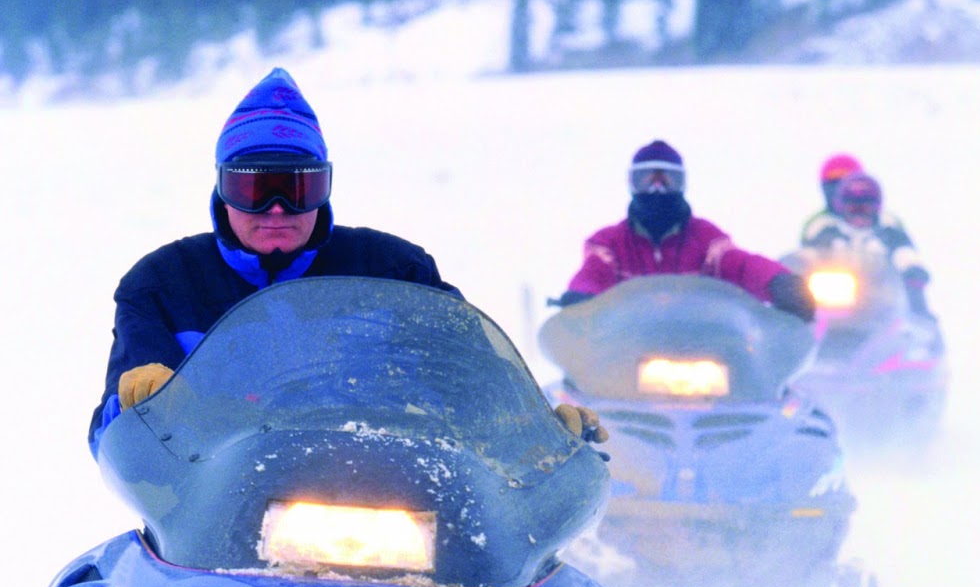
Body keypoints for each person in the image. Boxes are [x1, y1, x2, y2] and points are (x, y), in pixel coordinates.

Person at [90, 68, 604, 447]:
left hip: (389, 488)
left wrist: (529, 421)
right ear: (222, 192)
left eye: (299, 188)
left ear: (325, 190)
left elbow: (469, 372)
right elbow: (108, 436)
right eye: (253, 190)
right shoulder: (161, 284)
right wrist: (132, 404)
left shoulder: (398, 273)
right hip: (210, 501)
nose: (276, 209)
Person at [556, 141, 815, 320]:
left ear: (682, 183)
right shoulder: (609, 243)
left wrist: (778, 282)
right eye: (646, 179)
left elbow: (741, 265)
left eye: (668, 179)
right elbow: (592, 273)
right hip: (623, 349)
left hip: (701, 348)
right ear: (631, 183)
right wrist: (581, 297)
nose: (657, 188)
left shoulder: (706, 240)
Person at [802, 171, 934, 316]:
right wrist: (797, 266)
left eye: (865, 207)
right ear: (841, 207)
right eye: (852, 207)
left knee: (920, 326)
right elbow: (809, 255)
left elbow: (904, 254)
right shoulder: (829, 233)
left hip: (882, 304)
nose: (859, 213)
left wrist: (913, 269)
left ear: (876, 207)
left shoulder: (888, 234)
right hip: (832, 305)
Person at [800, 153, 913, 248]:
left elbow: (904, 251)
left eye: (848, 182)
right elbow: (804, 257)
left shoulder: (887, 223)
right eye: (833, 184)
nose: (839, 189)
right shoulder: (819, 224)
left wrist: (913, 269)